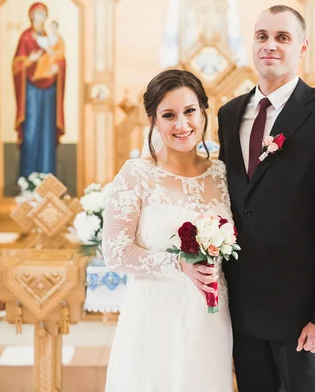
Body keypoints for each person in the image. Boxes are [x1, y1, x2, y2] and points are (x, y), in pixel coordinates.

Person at [217, 5, 315, 392]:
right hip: (244, 308)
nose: (270, 45)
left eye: (282, 37)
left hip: (302, 313)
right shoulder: (229, 115)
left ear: (302, 46)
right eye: (262, 36)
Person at [101, 69, 234, 391]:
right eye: (169, 115)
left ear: (204, 111)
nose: (181, 124)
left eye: (189, 111)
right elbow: (115, 253)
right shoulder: (137, 174)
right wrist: (177, 264)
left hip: (212, 319)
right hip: (154, 318)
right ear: (153, 121)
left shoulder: (223, 174)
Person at [12, 2, 66, 180]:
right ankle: (28, 178)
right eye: (36, 15)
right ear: (31, 17)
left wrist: (57, 68)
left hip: (50, 90)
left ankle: (47, 177)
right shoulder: (26, 37)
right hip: (31, 90)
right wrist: (29, 60)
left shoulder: (52, 37)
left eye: (42, 15)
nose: (39, 18)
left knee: (47, 132)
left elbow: (60, 59)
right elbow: (17, 66)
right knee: (32, 129)